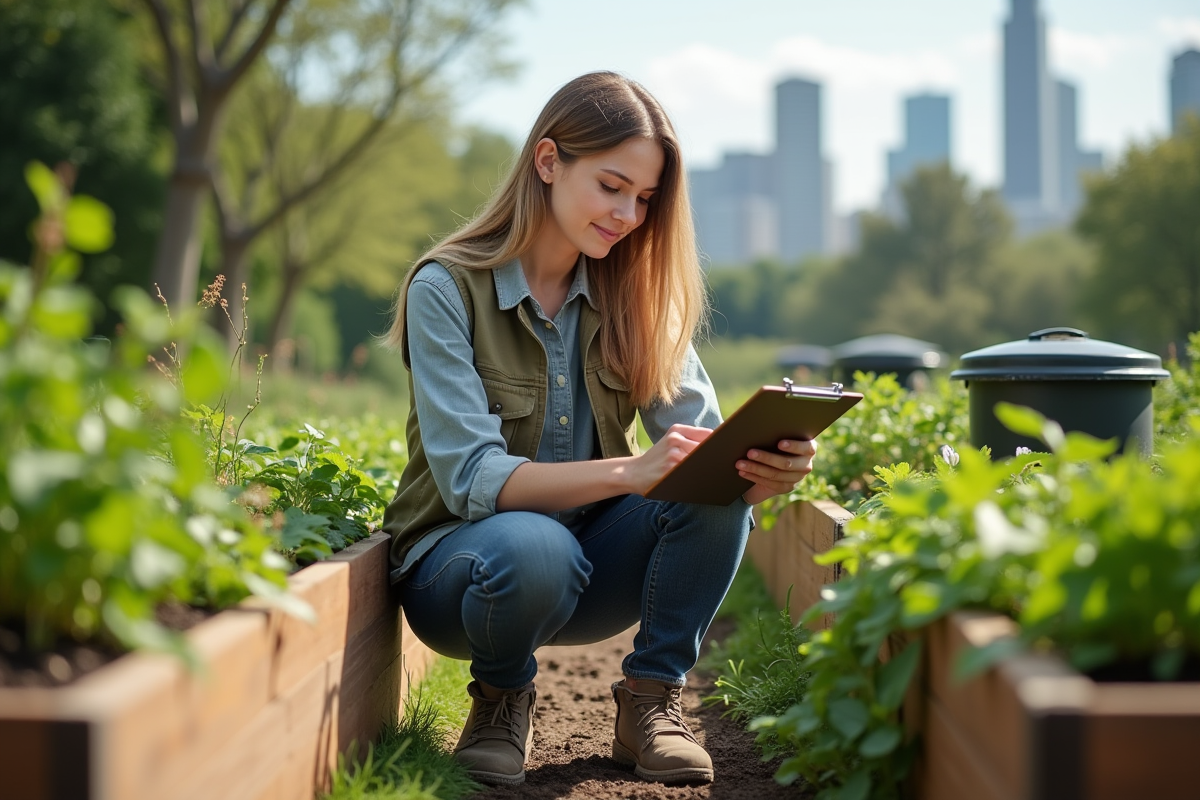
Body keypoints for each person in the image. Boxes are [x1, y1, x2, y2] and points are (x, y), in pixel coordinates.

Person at [382, 71, 817, 787]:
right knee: (534, 545)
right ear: (549, 163)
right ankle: (499, 697)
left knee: (711, 482)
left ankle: (650, 701)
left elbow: (698, 449)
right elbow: (472, 481)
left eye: (645, 199)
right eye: (612, 187)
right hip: (464, 576)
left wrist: (760, 469)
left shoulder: (636, 295)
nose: (628, 215)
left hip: (589, 564)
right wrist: (628, 471)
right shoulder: (446, 287)